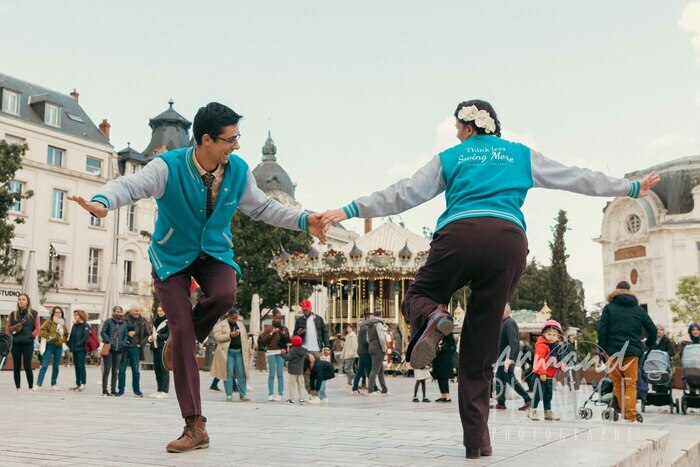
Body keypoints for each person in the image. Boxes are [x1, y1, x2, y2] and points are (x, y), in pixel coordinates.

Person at [321, 99, 660, 458]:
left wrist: (350, 209)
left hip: (460, 236)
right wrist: (631, 189)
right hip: (508, 243)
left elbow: (404, 192)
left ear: (468, 127)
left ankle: (433, 315)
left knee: (418, 295)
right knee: (481, 342)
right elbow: (576, 176)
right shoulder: (520, 155)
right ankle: (477, 442)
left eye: (457, 128)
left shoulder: (452, 157)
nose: (456, 134)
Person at [69, 102, 327, 453]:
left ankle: (183, 339)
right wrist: (103, 200)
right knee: (183, 331)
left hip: (214, 253)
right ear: (206, 139)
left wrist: (304, 220)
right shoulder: (167, 166)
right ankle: (195, 425)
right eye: (231, 139)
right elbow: (131, 185)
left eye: (238, 138)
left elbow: (264, 207)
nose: (237, 146)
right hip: (172, 258)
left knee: (224, 295)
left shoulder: (237, 170)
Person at [598, 281, 657, 423]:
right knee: (630, 384)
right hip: (632, 352)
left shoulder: (609, 308)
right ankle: (630, 417)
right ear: (630, 291)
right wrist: (647, 344)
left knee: (618, 383)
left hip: (612, 352)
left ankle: (624, 413)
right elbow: (653, 330)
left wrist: (604, 351)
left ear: (616, 291)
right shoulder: (638, 310)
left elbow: (602, 331)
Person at [494, 306, 531, 410]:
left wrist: (509, 358)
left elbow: (513, 342)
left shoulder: (509, 323)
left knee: (510, 379)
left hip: (506, 359)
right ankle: (501, 403)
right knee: (499, 380)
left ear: (506, 311)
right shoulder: (504, 323)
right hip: (502, 358)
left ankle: (528, 399)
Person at [211, 309, 251, 402]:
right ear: (228, 316)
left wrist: (248, 349)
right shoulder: (221, 325)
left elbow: (245, 338)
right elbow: (217, 337)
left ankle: (243, 394)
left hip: (239, 352)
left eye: (236, 318)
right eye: (233, 318)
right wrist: (229, 335)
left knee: (241, 373)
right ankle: (229, 394)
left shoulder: (240, 325)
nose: (235, 320)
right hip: (228, 352)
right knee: (228, 373)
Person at [528, 320, 564, 421]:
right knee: (538, 394)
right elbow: (540, 360)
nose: (552, 337)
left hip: (550, 376)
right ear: (544, 334)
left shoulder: (556, 347)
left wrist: (562, 366)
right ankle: (532, 410)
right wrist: (542, 373)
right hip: (540, 375)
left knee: (548, 395)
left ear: (558, 336)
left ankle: (547, 412)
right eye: (549, 334)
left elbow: (558, 359)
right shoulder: (542, 346)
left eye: (554, 335)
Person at [6, 293, 40, 391]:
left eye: (23, 299)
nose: (21, 301)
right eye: (19, 299)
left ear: (27, 301)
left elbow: (38, 328)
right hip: (16, 344)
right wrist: (10, 337)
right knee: (16, 366)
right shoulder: (13, 314)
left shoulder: (34, 314)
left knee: (27, 366)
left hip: (28, 344)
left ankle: (30, 387)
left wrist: (31, 336)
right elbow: (7, 329)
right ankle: (18, 388)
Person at [259, 309, 291, 401]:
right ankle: (270, 393)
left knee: (280, 374)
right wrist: (271, 333)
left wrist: (283, 334)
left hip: (281, 352)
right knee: (272, 374)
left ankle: (280, 394)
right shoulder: (268, 327)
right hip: (271, 352)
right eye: (276, 318)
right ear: (273, 318)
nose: (278, 320)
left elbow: (289, 340)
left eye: (280, 318)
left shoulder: (284, 328)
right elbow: (263, 340)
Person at [117, 306, 149, 397]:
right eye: (135, 311)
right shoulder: (124, 320)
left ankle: (137, 390)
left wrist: (140, 344)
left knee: (136, 370)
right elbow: (118, 332)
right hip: (124, 348)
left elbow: (147, 335)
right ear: (130, 311)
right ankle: (121, 390)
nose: (137, 312)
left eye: (138, 311)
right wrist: (127, 333)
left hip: (135, 348)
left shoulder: (142, 321)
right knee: (122, 370)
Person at [36, 306, 68, 390]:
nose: (58, 314)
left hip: (59, 346)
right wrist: (50, 336)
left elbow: (66, 335)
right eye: (56, 312)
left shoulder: (63, 324)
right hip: (50, 345)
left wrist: (62, 340)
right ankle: (38, 384)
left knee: (56, 366)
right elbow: (41, 331)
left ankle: (54, 384)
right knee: (44, 365)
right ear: (53, 313)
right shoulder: (49, 322)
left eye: (60, 312)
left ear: (62, 313)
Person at [100, 306, 128, 396]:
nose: (118, 313)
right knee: (107, 370)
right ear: (113, 312)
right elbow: (102, 332)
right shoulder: (108, 321)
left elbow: (125, 335)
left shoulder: (124, 323)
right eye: (116, 311)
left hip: (119, 350)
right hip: (109, 349)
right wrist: (108, 341)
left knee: (115, 371)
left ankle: (113, 390)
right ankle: (104, 390)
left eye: (120, 311)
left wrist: (123, 344)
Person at [149, 306, 170, 398]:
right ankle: (159, 389)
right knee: (157, 370)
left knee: (163, 369)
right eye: (158, 310)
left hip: (163, 348)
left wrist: (157, 336)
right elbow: (153, 333)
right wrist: (151, 338)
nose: (159, 312)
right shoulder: (155, 321)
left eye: (161, 310)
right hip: (155, 347)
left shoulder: (168, 321)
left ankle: (164, 391)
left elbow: (168, 335)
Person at [67, 310, 91, 392]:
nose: (75, 316)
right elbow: (71, 336)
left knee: (81, 366)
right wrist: (69, 344)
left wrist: (79, 343)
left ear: (81, 315)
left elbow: (86, 337)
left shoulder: (85, 325)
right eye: (74, 315)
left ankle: (83, 383)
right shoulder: (75, 325)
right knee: (76, 366)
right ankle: (78, 383)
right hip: (74, 349)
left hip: (81, 349)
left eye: (76, 315)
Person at [367, 309, 388, 396]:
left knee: (380, 370)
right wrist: (384, 348)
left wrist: (371, 344)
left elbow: (367, 338)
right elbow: (382, 338)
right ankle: (370, 390)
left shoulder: (370, 324)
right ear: (381, 315)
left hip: (371, 347)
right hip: (378, 348)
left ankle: (384, 389)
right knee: (374, 370)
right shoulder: (378, 324)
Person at [282, 335, 309, 404]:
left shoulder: (292, 350)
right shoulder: (304, 350)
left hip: (292, 371)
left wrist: (283, 353)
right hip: (300, 371)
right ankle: (301, 398)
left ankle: (291, 399)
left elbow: (287, 358)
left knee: (292, 385)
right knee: (300, 385)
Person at [352, 312, 374, 394]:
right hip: (365, 352)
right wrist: (371, 348)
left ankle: (355, 387)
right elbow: (365, 341)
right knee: (370, 370)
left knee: (361, 370)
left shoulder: (362, 327)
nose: (373, 319)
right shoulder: (366, 328)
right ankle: (373, 387)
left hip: (361, 351)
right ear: (367, 318)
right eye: (372, 318)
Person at [432, 333, 456, 402]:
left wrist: (442, 349)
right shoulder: (438, 335)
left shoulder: (448, 339)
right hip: (438, 360)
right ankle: (443, 395)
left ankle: (447, 396)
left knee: (444, 378)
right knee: (440, 378)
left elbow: (452, 347)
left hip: (444, 361)